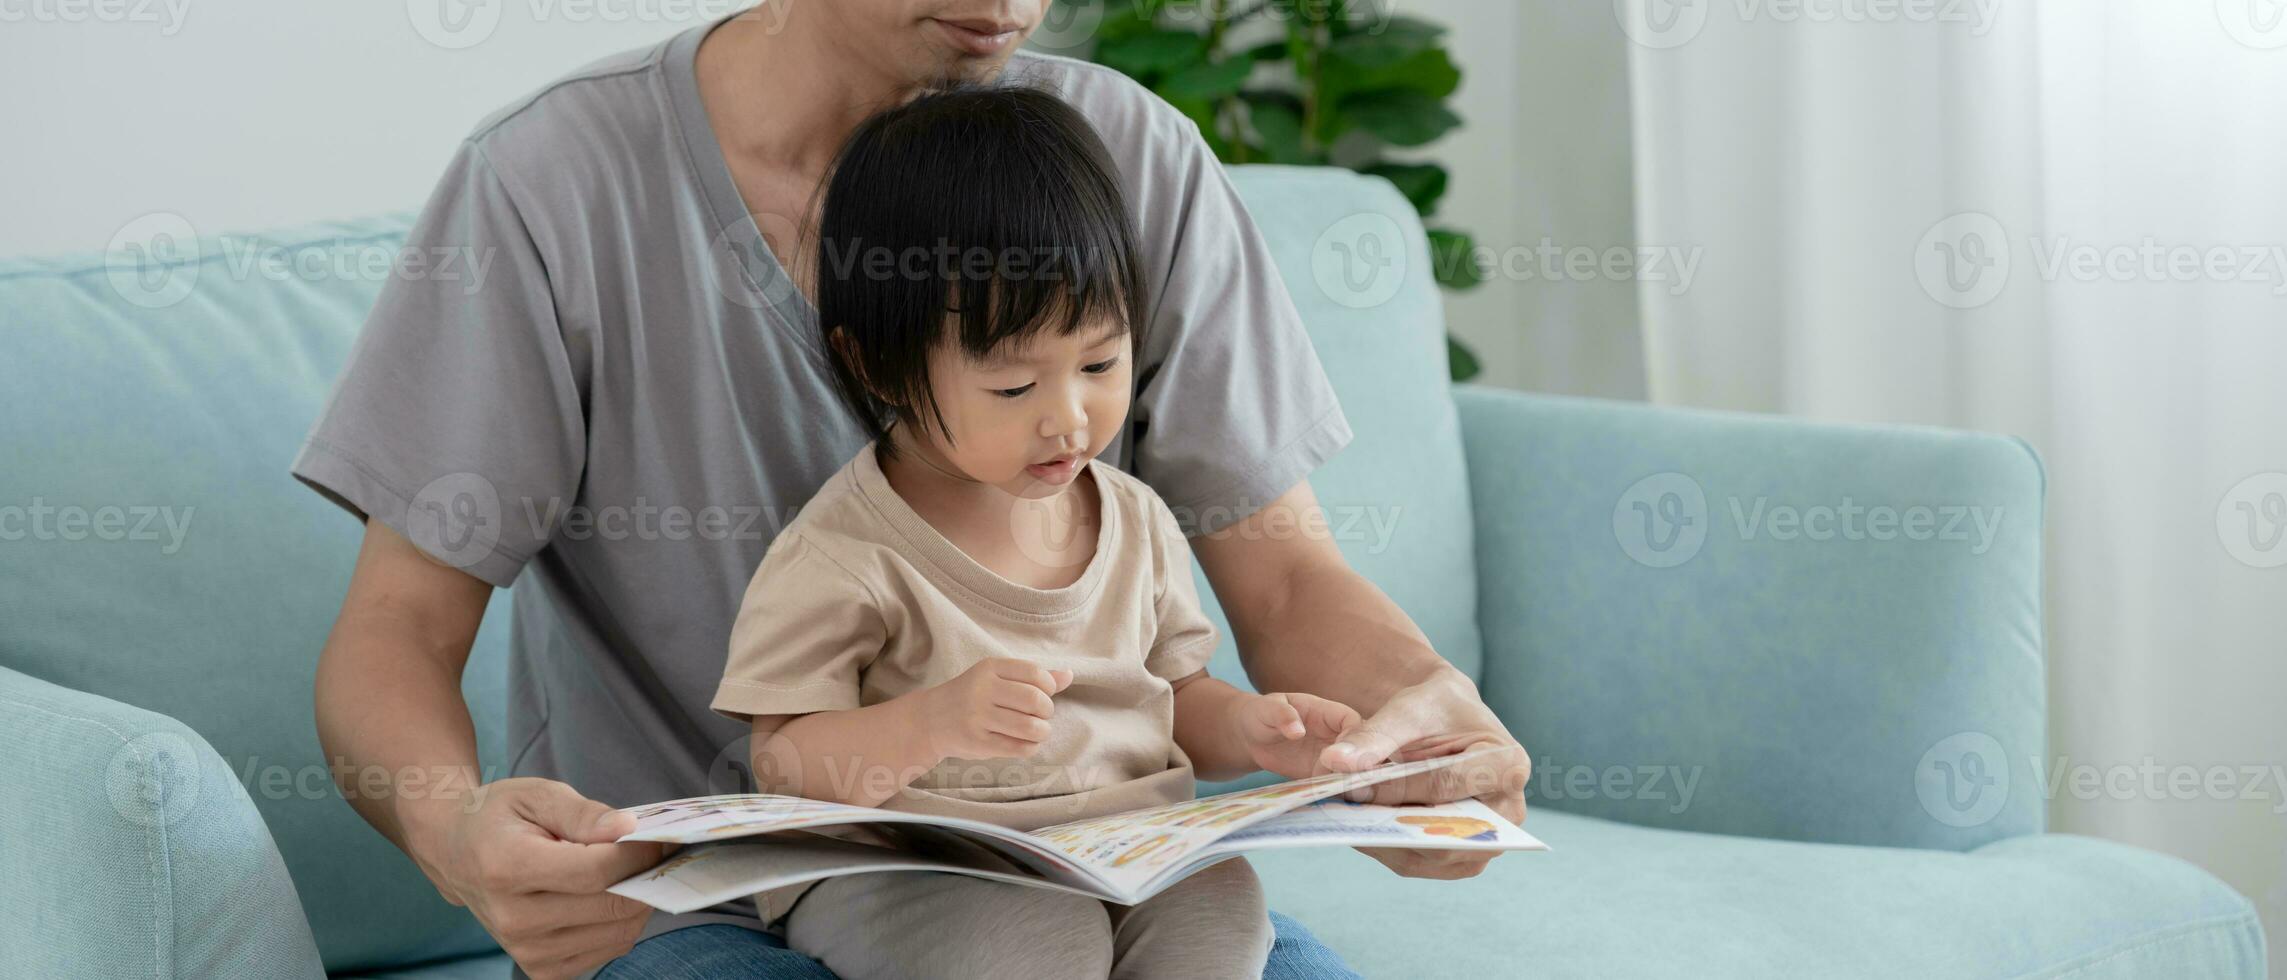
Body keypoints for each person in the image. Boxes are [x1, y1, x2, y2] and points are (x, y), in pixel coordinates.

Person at [297, 2, 1531, 979]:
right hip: (682, 908)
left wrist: (1413, 728)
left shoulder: (1130, 159)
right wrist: (458, 835)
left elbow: (1286, 571)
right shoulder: (554, 185)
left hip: (1088, 880)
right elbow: (395, 634)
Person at [711, 82, 1372, 980]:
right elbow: (786, 762)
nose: (1068, 419)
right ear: (878, 363)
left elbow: (1172, 698)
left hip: (1121, 849)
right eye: (1014, 388)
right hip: (922, 868)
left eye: (1100, 363)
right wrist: (931, 724)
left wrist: (1256, 730)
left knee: (1220, 903)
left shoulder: (1133, 518)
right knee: (1037, 943)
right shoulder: (846, 552)